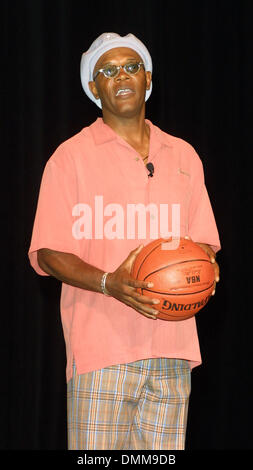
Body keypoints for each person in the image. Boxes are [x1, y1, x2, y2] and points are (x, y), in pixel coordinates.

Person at [28, 32, 220, 450]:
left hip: (172, 348)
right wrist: (107, 282)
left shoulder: (184, 155)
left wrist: (202, 270)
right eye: (108, 71)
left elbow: (205, 246)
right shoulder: (69, 157)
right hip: (101, 352)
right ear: (94, 87)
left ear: (147, 78)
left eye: (131, 67)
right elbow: (47, 251)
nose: (122, 77)